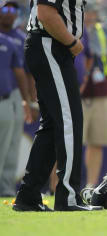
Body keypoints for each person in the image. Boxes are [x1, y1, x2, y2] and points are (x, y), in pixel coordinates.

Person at [13, 0, 101, 211]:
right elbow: (45, 12)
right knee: (70, 120)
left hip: (50, 46)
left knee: (52, 126)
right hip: (49, 44)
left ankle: (28, 196)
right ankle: (68, 196)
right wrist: (72, 42)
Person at [0, 1, 37, 197]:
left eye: (13, 10)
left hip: (12, 94)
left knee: (11, 143)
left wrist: (29, 100)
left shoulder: (21, 39)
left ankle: (5, 187)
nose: (9, 13)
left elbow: (27, 72)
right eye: (5, 9)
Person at [79, 5, 107, 188]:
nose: (91, 14)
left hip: (101, 91)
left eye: (93, 10)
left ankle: (90, 186)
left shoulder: (103, 30)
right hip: (78, 92)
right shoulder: (73, 28)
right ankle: (57, 186)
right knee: (69, 142)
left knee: (97, 140)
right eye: (88, 10)